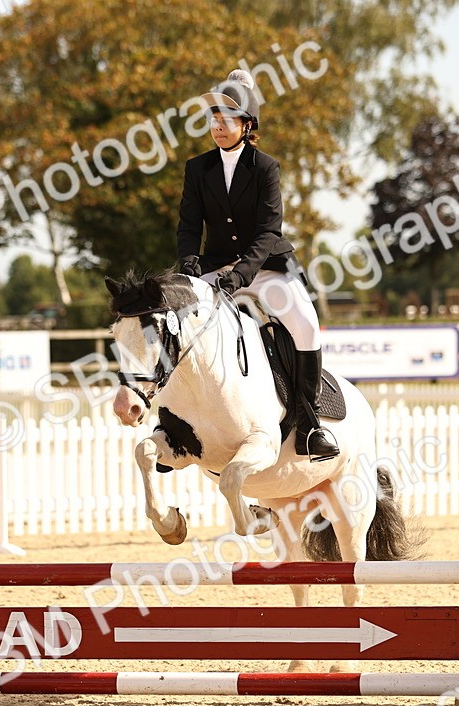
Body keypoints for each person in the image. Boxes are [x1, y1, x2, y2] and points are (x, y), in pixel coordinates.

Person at [176, 69, 339, 461]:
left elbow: (268, 231)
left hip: (266, 267)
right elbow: (189, 225)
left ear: (247, 125)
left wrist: (241, 275)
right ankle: (174, 421)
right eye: (213, 120)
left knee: (306, 323)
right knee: (177, 321)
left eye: (227, 120)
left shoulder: (265, 167)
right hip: (217, 267)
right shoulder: (197, 168)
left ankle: (310, 424)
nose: (218, 127)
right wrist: (189, 264)